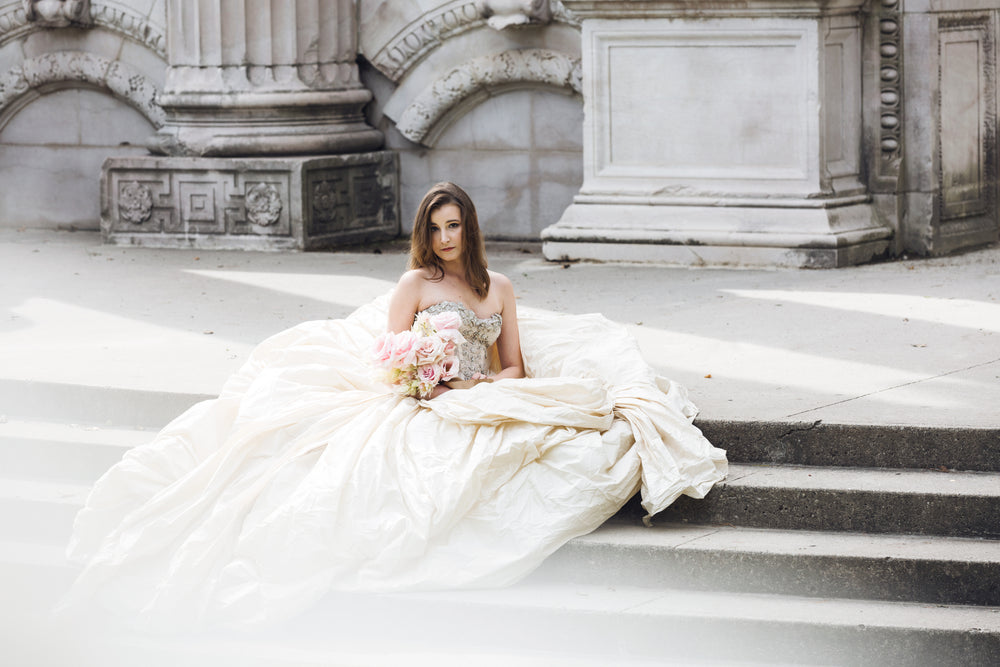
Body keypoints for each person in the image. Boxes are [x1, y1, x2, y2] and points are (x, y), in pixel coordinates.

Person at [59, 182, 727, 630]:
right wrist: (424, 379)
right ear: (424, 233)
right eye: (434, 227)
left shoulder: (500, 290)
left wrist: (481, 387)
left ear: (469, 228)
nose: (444, 237)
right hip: (424, 395)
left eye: (454, 225)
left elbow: (514, 364)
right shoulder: (416, 282)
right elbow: (391, 351)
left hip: (478, 392)